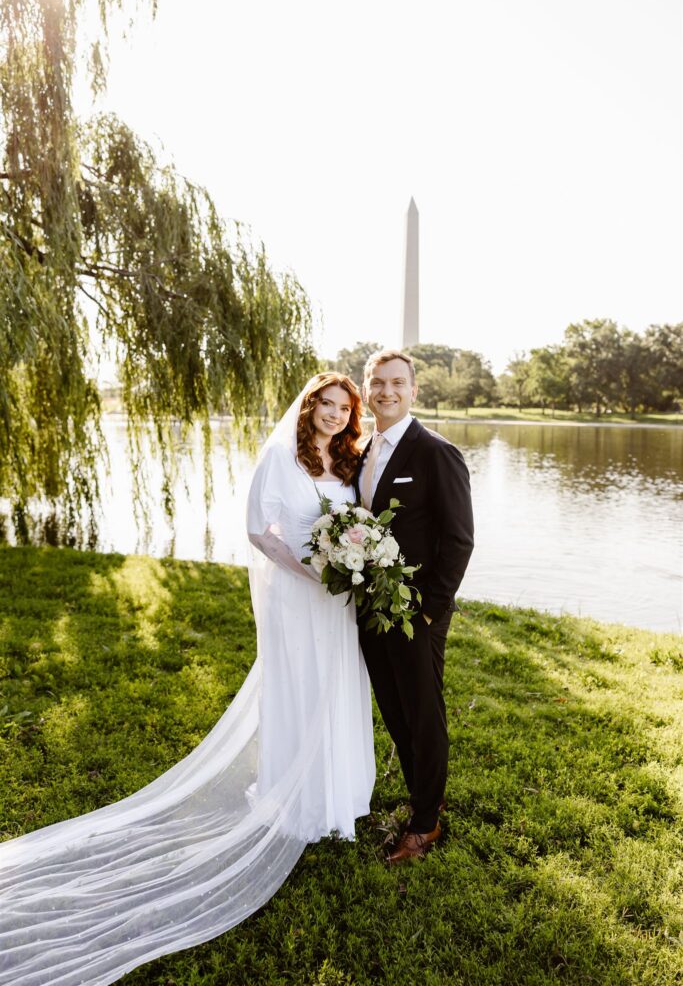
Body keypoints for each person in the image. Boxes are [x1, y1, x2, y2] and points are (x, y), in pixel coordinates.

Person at [0, 373, 375, 986]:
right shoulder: (283, 456)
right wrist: (313, 572)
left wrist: (352, 564)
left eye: (344, 407)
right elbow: (261, 530)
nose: (334, 415)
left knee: (338, 690)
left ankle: (337, 796)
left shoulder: (352, 461)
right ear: (308, 408)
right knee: (300, 690)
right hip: (302, 595)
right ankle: (297, 800)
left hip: (340, 601)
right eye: (325, 405)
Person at [356, 349, 474, 864]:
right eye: (378, 383)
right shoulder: (363, 449)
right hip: (370, 608)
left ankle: (426, 825)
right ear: (366, 389)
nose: (387, 391)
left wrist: (429, 610)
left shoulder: (436, 453)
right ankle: (424, 793)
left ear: (414, 390)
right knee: (396, 710)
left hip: (416, 612)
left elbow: (459, 540)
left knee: (423, 714)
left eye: (397, 383)